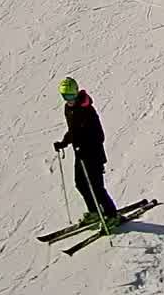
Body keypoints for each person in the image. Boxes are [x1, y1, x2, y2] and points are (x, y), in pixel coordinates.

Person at [53, 78, 119, 225]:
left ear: (76, 92)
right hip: (80, 154)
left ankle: (112, 215)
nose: (68, 99)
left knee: (96, 187)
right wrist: (63, 143)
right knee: (81, 184)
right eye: (65, 96)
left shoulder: (87, 110)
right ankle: (95, 212)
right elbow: (73, 130)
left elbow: (99, 135)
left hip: (93, 154)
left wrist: (85, 146)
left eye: (71, 95)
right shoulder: (68, 109)